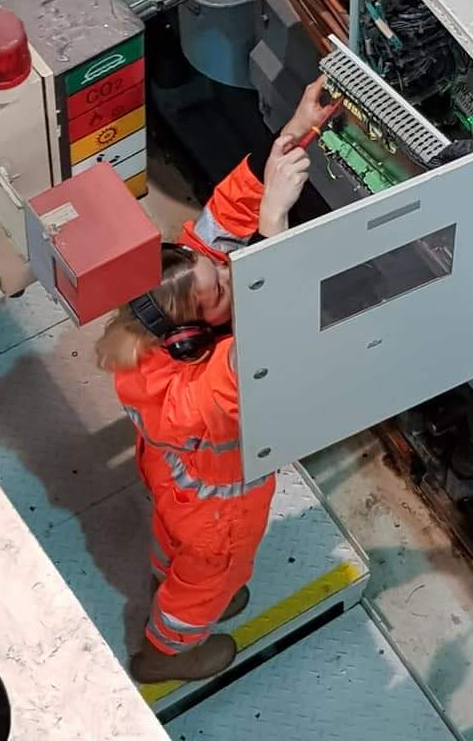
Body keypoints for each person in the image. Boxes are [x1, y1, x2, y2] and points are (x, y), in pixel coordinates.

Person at [96, 77, 326, 684]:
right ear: (191, 335)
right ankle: (167, 653)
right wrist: (275, 225)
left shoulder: (153, 329)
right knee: (205, 583)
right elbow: (277, 329)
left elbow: (220, 226)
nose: (229, 274)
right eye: (221, 289)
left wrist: (294, 131)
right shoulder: (201, 396)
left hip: (176, 492)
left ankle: (166, 578)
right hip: (219, 519)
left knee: (174, 552)